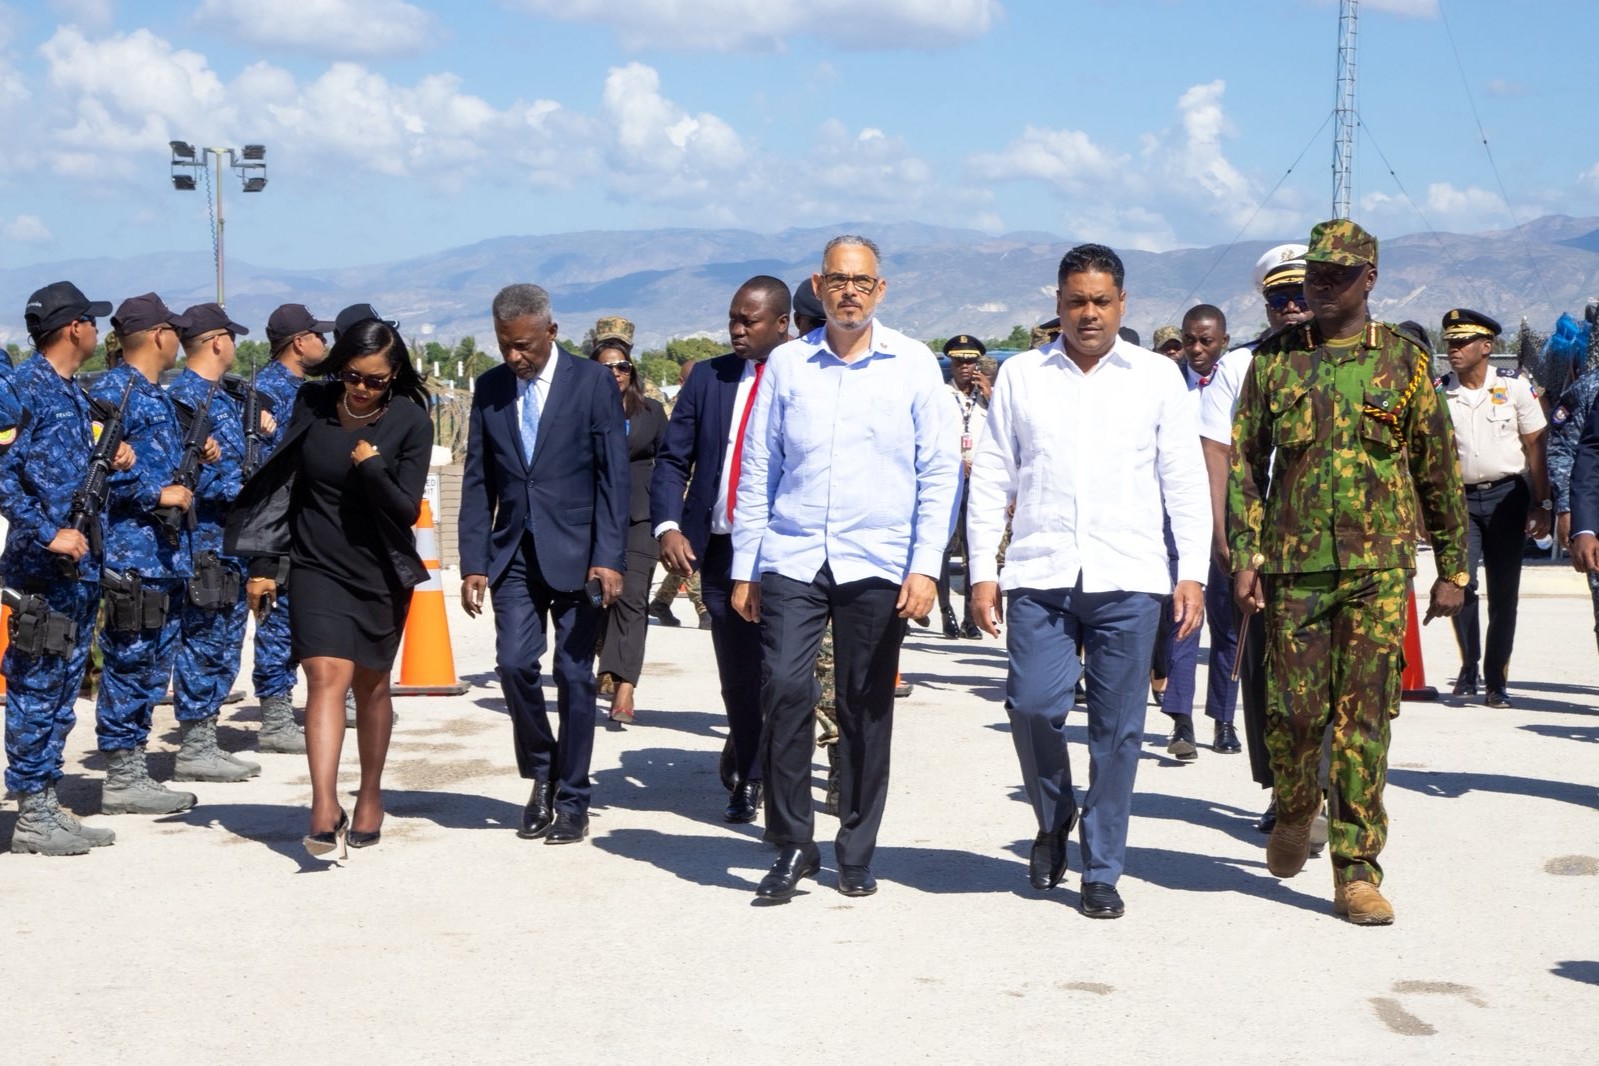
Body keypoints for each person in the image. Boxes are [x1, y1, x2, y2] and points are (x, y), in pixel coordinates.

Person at [1229, 219, 1468, 925]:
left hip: (1376, 570)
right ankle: (1296, 804)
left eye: (1337, 275)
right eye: (1315, 274)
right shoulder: (1274, 361)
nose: (1321, 286)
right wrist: (1245, 554)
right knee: (1294, 713)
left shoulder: (1403, 362)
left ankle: (1356, 872)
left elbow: (1436, 469)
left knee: (1363, 720)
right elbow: (1245, 463)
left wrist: (1453, 568)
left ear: (1369, 279)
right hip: (1295, 568)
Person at [968, 243, 1210, 920]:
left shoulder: (1155, 379)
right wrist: (982, 570)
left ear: (1122, 304)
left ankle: (1101, 868)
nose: (1089, 314)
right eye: (1076, 301)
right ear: (1057, 302)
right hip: (1040, 572)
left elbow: (1184, 481)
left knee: (1118, 730)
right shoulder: (1022, 376)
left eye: (1101, 301)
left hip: (1128, 576)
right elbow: (992, 473)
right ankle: (1053, 817)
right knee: (1031, 706)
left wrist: (1191, 572)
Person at [732, 235, 958, 902]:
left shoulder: (912, 365)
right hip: (794, 554)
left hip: (878, 560)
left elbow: (939, 472)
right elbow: (758, 468)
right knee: (784, 688)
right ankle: (792, 844)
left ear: (879, 289)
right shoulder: (788, 364)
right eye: (837, 280)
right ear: (818, 285)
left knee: (865, 704)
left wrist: (925, 567)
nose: (849, 292)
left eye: (861, 281)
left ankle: (856, 850)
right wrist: (746, 566)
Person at [228, 317, 433, 856]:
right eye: (352, 375)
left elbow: (405, 509)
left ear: (394, 375)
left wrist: (373, 467)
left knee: (371, 685)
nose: (361, 388)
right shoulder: (314, 402)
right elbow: (284, 485)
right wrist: (265, 561)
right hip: (316, 563)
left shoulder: (411, 420)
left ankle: (369, 794)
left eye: (375, 380)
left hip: (378, 570)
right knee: (324, 676)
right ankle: (322, 806)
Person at [458, 284, 627, 846]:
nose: (514, 356)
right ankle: (542, 773)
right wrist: (474, 561)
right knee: (512, 665)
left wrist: (608, 557)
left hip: (581, 556)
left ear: (551, 332)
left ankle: (574, 799)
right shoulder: (491, 387)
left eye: (524, 346)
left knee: (575, 675)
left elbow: (613, 476)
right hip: (513, 554)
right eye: (505, 344)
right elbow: (479, 479)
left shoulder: (592, 382)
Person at [651, 276, 792, 822]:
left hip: (787, 551)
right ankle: (751, 772)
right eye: (732, 318)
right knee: (738, 671)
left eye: (748, 321)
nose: (736, 329)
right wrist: (669, 526)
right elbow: (673, 459)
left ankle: (775, 766)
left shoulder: (805, 375)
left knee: (784, 671)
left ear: (781, 323)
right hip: (720, 548)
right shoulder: (709, 378)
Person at [1, 281, 128, 854]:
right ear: (74, 328)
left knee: (60, 691)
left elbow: (74, 473)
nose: (98, 332)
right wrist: (46, 532)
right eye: (92, 322)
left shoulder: (74, 392)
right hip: (41, 570)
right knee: (36, 688)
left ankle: (47, 802)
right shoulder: (20, 389)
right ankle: (31, 815)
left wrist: (117, 459)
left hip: (80, 570)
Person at [1198, 243, 1314, 830]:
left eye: (1300, 295)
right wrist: (1223, 535)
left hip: (1330, 538)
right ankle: (1282, 789)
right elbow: (1216, 450)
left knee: (1332, 670)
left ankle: (1326, 787)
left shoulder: (1350, 359)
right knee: (1267, 669)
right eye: (1279, 299)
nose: (1291, 307)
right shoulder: (1241, 366)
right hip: (1260, 536)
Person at [91, 294, 206, 817]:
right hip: (132, 555)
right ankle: (122, 776)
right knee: (130, 663)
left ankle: (133, 768)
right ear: (159, 335)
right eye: (174, 331)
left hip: (166, 555)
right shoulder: (112, 393)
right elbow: (91, 474)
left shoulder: (155, 395)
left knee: (153, 664)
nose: (180, 340)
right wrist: (154, 492)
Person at [166, 303, 266, 783]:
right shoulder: (184, 399)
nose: (234, 346)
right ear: (216, 341)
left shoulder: (223, 396)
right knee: (204, 643)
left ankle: (206, 738)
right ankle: (195, 745)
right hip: (204, 538)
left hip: (232, 540)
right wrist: (241, 486)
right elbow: (183, 474)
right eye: (231, 337)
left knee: (225, 642)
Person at [1435, 308, 1550, 706]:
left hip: (1507, 497)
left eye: (1462, 342)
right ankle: (1469, 665)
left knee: (1504, 592)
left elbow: (1536, 447)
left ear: (1486, 347)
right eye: (1450, 342)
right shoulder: (1439, 391)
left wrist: (1542, 502)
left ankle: (1496, 679)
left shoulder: (1514, 387)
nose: (1453, 349)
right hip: (1459, 501)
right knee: (1459, 582)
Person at [247, 303, 335, 754]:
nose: (326, 342)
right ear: (300, 342)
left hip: (313, 518)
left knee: (320, 612)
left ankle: (331, 695)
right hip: (279, 521)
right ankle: (276, 715)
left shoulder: (312, 388)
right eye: (319, 335)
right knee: (277, 618)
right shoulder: (265, 392)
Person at [1158, 305, 1239, 758]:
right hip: (1180, 517)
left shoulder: (1240, 384)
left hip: (1229, 515)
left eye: (1206, 341)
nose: (1196, 349)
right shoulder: (1167, 385)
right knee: (1183, 617)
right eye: (1189, 340)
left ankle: (1224, 719)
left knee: (1229, 622)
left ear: (1224, 341)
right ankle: (1181, 721)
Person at [591, 317, 668, 724]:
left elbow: (671, 465)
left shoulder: (651, 412)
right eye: (606, 367)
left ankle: (625, 688)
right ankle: (605, 660)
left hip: (640, 516)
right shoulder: (580, 411)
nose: (616, 372)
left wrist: (670, 518)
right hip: (593, 519)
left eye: (622, 366)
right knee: (599, 597)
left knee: (634, 596)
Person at [647, 360, 710, 630]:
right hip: (677, 490)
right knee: (688, 549)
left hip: (700, 489)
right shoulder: (670, 409)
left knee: (687, 551)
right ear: (683, 382)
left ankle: (662, 601)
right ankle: (702, 607)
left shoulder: (707, 404)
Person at [936, 335, 988, 639]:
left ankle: (970, 617)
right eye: (959, 362)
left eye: (970, 362)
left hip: (979, 480)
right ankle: (946, 613)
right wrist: (956, 461)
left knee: (974, 547)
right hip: (949, 476)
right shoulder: (941, 395)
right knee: (945, 546)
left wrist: (991, 394)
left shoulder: (987, 397)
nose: (965, 367)